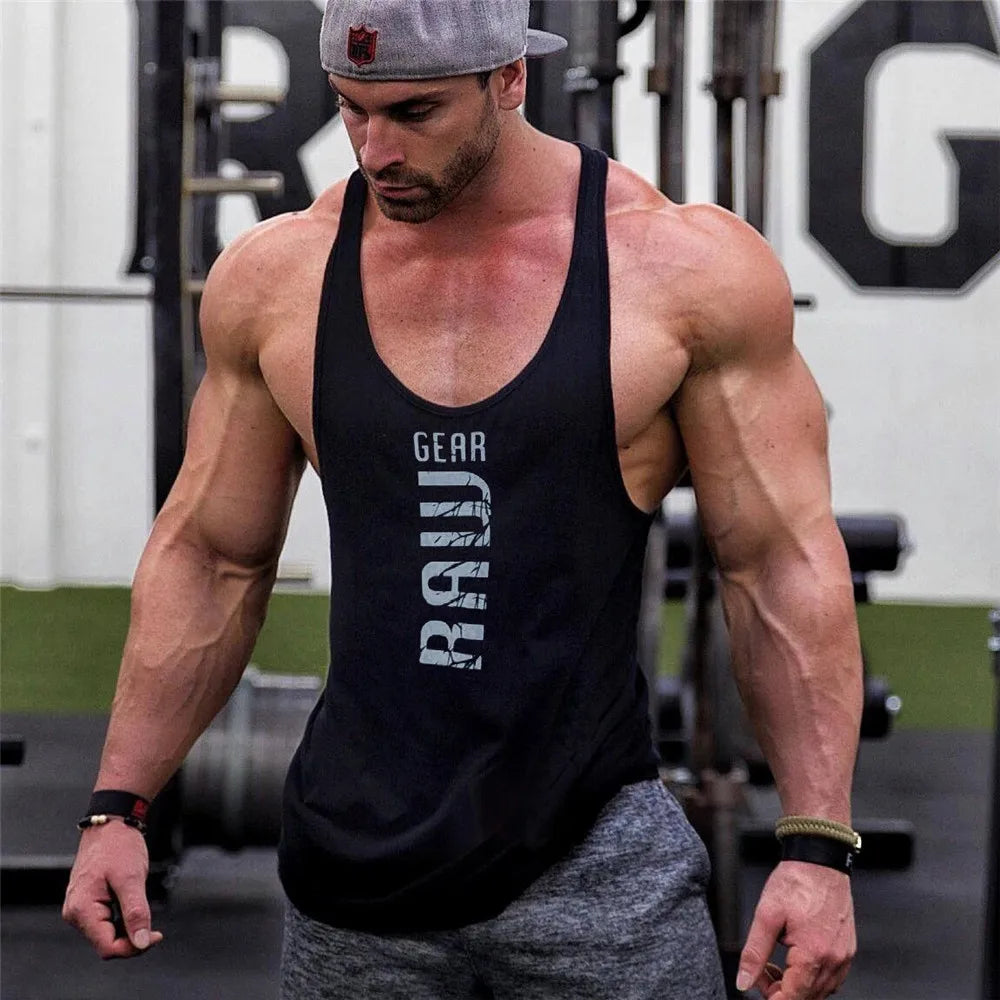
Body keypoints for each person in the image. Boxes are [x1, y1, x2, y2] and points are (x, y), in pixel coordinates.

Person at [63, 2, 864, 998]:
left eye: (415, 112)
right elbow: (212, 557)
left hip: (597, 870)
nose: (376, 150)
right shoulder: (279, 277)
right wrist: (119, 804)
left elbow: (777, 561)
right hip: (352, 876)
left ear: (510, 79)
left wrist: (817, 845)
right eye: (352, 109)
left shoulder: (681, 272)